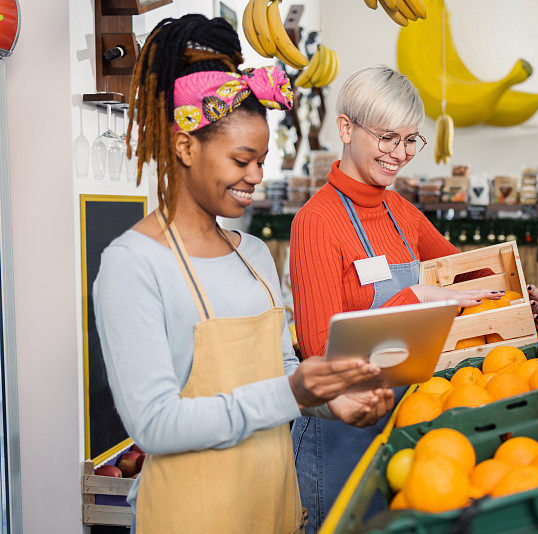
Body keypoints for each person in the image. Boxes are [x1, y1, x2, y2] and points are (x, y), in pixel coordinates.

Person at [93, 16, 392, 533]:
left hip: (272, 507)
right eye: (242, 159)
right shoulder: (134, 265)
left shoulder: (253, 255)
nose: (256, 176)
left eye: (262, 160)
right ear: (185, 147)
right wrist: (295, 392)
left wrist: (332, 401)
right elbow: (155, 424)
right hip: (191, 515)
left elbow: (276, 372)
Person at [289, 65, 538, 532]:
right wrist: (412, 298)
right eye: (388, 138)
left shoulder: (401, 212)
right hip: (342, 436)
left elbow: (463, 270)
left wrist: (514, 295)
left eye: (411, 140)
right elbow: (319, 354)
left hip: (407, 422)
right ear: (346, 128)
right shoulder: (315, 222)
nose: (400, 154)